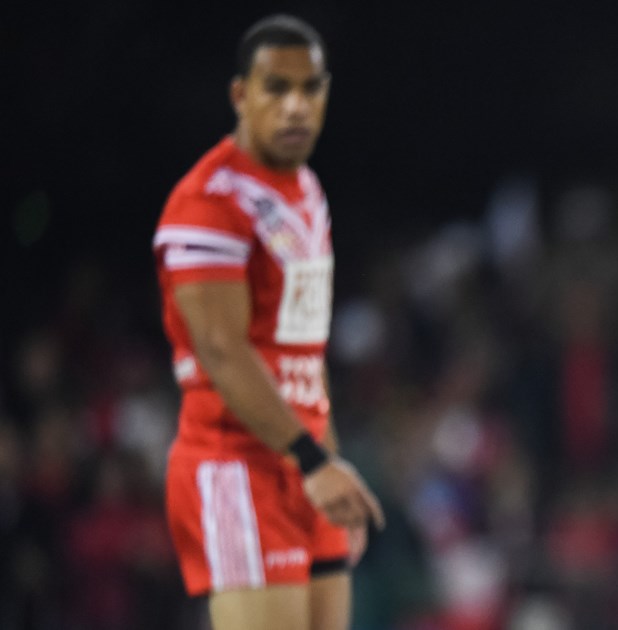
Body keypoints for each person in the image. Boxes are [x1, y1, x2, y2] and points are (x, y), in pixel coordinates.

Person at [153, 14, 383, 630]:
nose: (295, 106)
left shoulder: (306, 190)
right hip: (236, 465)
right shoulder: (209, 201)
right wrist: (314, 461)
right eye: (276, 88)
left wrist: (329, 464)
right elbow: (221, 351)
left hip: (301, 462)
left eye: (310, 88)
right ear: (240, 95)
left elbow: (304, 354)